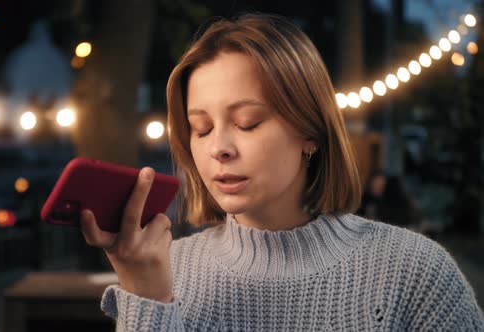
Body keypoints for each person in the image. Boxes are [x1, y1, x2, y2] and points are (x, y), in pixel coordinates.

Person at [80, 14, 484, 331]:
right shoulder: (166, 269)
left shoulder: (413, 271)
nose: (219, 147)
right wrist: (146, 297)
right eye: (200, 129)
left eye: (248, 122)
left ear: (310, 131)